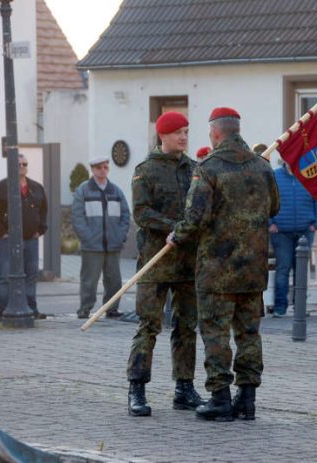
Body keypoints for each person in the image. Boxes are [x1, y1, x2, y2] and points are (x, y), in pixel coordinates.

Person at [167, 107, 280, 421]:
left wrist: (177, 235)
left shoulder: (208, 168)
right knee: (249, 334)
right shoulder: (263, 167)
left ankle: (220, 398)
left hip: (217, 271)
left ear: (215, 133)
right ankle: (247, 398)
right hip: (253, 269)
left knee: (216, 333)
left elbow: (196, 218)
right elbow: (275, 207)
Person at [126, 112, 204, 417]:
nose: (184, 137)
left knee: (186, 326)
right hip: (155, 261)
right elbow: (141, 213)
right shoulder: (146, 170)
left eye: (186, 131)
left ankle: (184, 387)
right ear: (164, 136)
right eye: (178, 133)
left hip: (187, 262)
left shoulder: (196, 170)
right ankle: (137, 387)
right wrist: (173, 226)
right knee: (149, 325)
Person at [0, 154, 48, 321]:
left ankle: (31, 308)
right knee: (4, 275)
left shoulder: (36, 187)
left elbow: (43, 211)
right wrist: (2, 232)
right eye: (18, 164)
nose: (22, 167)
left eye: (25, 164)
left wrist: (40, 230)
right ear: (10, 165)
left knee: (31, 274)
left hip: (30, 240)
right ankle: (0, 309)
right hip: (8, 240)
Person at [71, 156, 131, 319]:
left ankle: (112, 308)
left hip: (113, 244)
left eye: (105, 167)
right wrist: (87, 237)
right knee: (89, 280)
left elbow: (125, 215)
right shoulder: (83, 190)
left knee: (114, 280)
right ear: (93, 169)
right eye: (99, 168)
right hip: (92, 245)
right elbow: (77, 217)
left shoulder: (116, 191)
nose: (103, 170)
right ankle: (85, 308)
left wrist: (120, 236)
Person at [269, 161, 317, 317]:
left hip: (305, 231)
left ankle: (300, 306)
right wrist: (270, 223)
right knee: (283, 269)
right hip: (281, 232)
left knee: (301, 271)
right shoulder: (275, 176)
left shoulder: (310, 175)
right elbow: (267, 200)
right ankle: (280, 308)